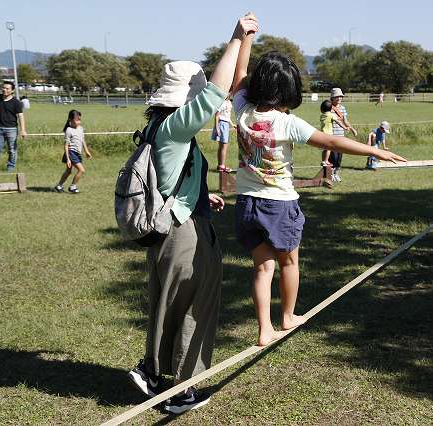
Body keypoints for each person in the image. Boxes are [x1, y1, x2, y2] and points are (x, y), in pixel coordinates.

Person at [231, 31, 406, 347]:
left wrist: (245, 37)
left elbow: (240, 73)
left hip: (246, 203)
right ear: (287, 90)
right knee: (289, 263)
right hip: (279, 205)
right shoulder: (287, 122)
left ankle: (264, 330)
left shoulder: (241, 109)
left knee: (262, 268)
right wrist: (374, 150)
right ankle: (287, 317)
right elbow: (332, 141)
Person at [126, 14, 259, 415]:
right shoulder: (174, 127)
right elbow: (217, 93)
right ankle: (182, 391)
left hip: (169, 227)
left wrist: (200, 196)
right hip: (183, 235)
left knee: (168, 303)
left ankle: (152, 372)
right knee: (195, 308)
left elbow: (170, 178)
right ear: (185, 98)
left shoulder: (157, 126)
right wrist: (235, 37)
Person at [0, 81, 27, 172]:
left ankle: (10, 167)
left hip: (12, 129)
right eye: (3, 88)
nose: (4, 90)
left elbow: (20, 116)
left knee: (12, 150)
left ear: (12, 90)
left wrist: (23, 130)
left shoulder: (16, 102)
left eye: (7, 88)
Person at [54, 110, 92, 193]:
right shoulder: (69, 130)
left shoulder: (80, 128)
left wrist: (86, 151)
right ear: (70, 120)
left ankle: (59, 186)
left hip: (77, 153)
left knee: (68, 171)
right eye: (77, 120)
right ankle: (72, 187)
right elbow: (66, 145)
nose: (79, 122)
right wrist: (68, 159)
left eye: (79, 120)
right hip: (71, 153)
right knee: (81, 170)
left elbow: (83, 140)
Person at [328, 87, 357, 182]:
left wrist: (352, 129)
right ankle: (330, 174)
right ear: (332, 97)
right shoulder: (328, 107)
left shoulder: (343, 108)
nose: (339, 98)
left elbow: (345, 121)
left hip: (341, 136)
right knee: (333, 156)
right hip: (332, 136)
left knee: (339, 157)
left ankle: (336, 173)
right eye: (337, 96)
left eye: (341, 96)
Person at [319, 99, 348, 169]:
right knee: (329, 148)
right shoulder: (331, 115)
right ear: (330, 109)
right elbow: (338, 122)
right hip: (329, 135)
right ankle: (326, 160)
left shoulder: (322, 115)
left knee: (324, 149)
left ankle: (323, 160)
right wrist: (345, 127)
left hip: (322, 134)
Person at [211, 96, 235, 172]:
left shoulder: (229, 102)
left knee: (223, 146)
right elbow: (217, 115)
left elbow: (227, 116)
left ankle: (220, 165)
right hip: (221, 124)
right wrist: (217, 128)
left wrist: (232, 124)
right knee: (224, 145)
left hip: (226, 124)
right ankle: (222, 166)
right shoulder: (222, 102)